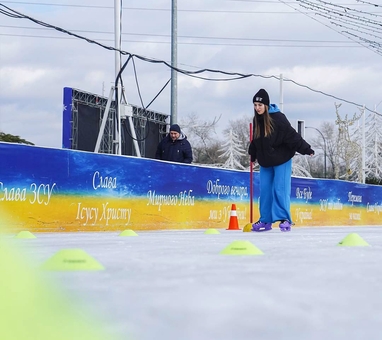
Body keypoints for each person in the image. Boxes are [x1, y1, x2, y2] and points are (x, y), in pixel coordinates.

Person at [248, 88, 314, 232]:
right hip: (266, 161)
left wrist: (306, 149)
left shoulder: (278, 118)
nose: (257, 108)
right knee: (265, 191)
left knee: (280, 189)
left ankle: (285, 219)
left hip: (282, 159)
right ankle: (265, 221)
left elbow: (292, 135)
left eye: (260, 105)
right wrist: (252, 154)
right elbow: (256, 141)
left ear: (266, 105)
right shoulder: (257, 120)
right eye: (255, 105)